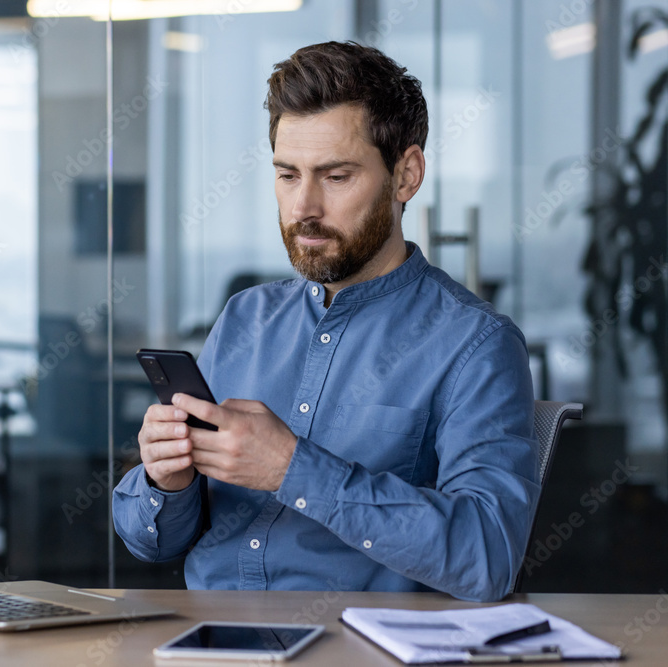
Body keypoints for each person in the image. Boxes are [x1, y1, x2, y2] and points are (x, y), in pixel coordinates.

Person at [112, 41, 537, 602]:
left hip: (353, 649)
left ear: (406, 176)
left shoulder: (475, 345)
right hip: (200, 639)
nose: (303, 207)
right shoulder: (245, 318)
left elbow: (487, 556)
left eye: (335, 177)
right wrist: (168, 481)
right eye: (288, 175)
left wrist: (292, 468)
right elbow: (153, 542)